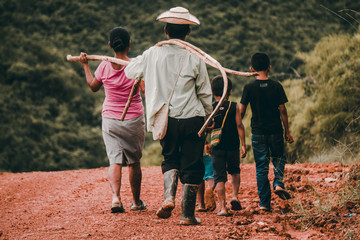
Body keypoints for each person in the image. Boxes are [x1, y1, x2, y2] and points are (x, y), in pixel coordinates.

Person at [125, 7, 212, 225]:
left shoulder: (152, 53)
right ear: (188, 33)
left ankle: (168, 197)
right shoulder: (196, 57)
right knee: (193, 164)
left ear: (165, 30)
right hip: (193, 118)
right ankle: (187, 215)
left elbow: (129, 71)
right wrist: (209, 118)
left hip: (166, 120)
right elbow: (204, 92)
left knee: (170, 157)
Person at [79, 27, 146, 213]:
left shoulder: (104, 66)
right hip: (134, 118)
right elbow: (145, 90)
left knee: (115, 160)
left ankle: (116, 198)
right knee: (134, 162)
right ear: (129, 44)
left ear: (110, 45)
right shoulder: (135, 66)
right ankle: (136, 202)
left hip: (110, 120)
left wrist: (85, 65)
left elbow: (93, 87)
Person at [240, 52, 294, 212]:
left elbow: (241, 111)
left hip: (258, 133)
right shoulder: (277, 86)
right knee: (278, 158)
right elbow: (283, 109)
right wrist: (287, 131)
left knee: (261, 167)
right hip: (276, 131)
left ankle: (264, 203)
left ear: (251, 69)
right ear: (269, 68)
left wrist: (238, 127)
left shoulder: (249, 87)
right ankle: (278, 183)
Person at [210, 76, 247, 216]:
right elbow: (239, 125)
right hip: (232, 146)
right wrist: (243, 144)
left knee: (219, 178)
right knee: (235, 171)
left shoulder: (211, 108)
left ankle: (223, 208)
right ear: (229, 91)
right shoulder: (234, 106)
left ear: (213, 92)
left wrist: (207, 143)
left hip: (217, 147)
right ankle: (235, 196)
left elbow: (208, 128)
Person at [196, 139, 216, 212]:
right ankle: (210, 189)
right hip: (209, 149)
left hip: (197, 150)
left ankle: (201, 204)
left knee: (199, 176)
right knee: (211, 175)